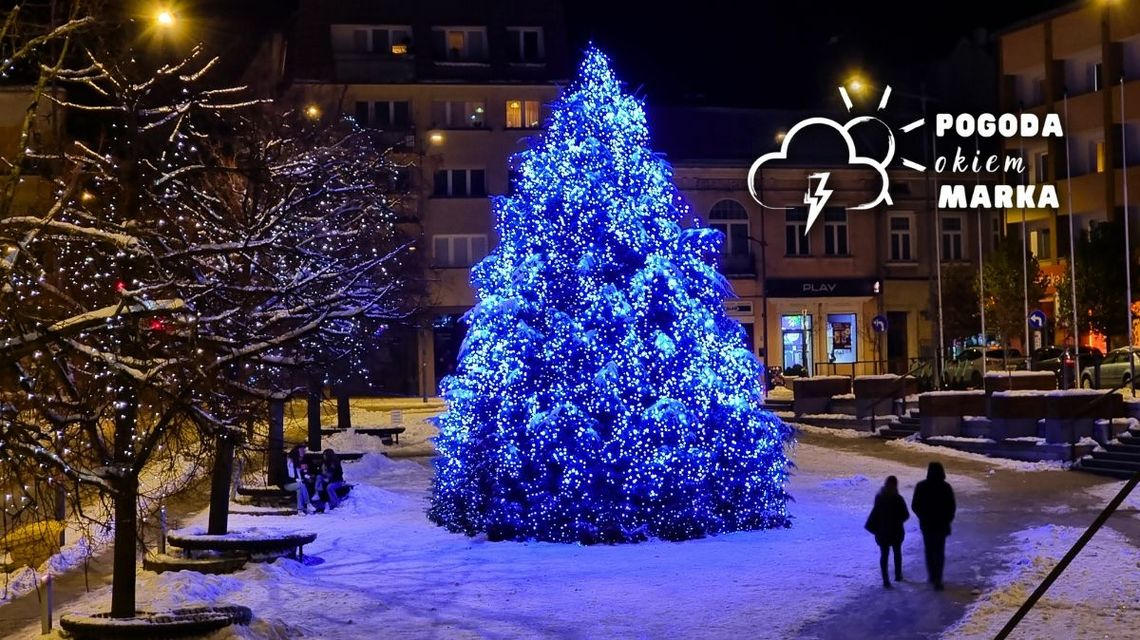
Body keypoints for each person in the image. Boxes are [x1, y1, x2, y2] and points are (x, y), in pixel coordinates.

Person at [911, 461, 956, 591]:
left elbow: (915, 505)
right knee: (939, 551)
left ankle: (932, 575)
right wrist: (947, 519)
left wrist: (923, 516)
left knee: (929, 550)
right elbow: (951, 507)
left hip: (927, 524)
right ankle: (938, 578)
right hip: (941, 525)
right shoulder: (946, 487)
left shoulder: (921, 486)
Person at [865, 475, 909, 588]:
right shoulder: (898, 499)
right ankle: (898, 576)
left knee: (884, 555)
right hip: (896, 532)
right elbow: (906, 515)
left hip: (882, 532)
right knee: (897, 553)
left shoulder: (880, 498)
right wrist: (898, 521)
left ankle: (886, 581)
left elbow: (875, 515)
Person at [282, 445, 314, 513]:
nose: (303, 452)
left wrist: (308, 477)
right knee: (302, 485)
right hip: (288, 484)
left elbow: (302, 475)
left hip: (298, 484)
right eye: (301, 451)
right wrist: (295, 480)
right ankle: (308, 503)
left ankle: (300, 510)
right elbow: (285, 477)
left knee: (299, 489)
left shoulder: (298, 464)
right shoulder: (287, 464)